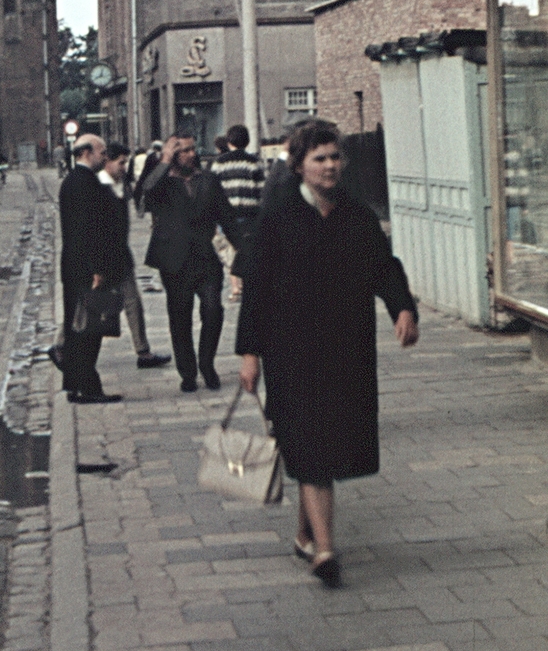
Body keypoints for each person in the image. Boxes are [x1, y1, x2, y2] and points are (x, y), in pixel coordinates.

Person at [236, 119, 419, 588]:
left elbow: (384, 266)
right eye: (320, 158)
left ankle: (304, 535)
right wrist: (249, 354)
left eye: (335, 157)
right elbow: (255, 288)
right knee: (313, 447)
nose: (331, 165)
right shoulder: (277, 217)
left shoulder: (356, 215)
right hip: (290, 351)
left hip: (345, 350)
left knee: (322, 444)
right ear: (299, 165)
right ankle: (325, 550)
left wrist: (402, 308)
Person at [141, 134, 241, 392]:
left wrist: (243, 248)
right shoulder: (162, 180)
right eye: (184, 150)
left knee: (213, 310)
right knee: (179, 316)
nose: (191, 154)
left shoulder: (207, 179)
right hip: (173, 260)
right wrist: (163, 160)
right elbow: (146, 194)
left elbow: (227, 216)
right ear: (173, 155)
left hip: (204, 257)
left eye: (192, 149)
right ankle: (187, 371)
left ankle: (207, 363)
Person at [59, 133, 124, 405]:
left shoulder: (72, 181)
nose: (104, 156)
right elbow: (88, 230)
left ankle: (75, 385)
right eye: (101, 151)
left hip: (74, 264)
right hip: (86, 268)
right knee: (89, 331)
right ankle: (88, 387)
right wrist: (97, 269)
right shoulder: (84, 183)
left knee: (76, 327)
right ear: (86, 152)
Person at [97, 143, 170, 370]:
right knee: (89, 306)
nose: (124, 166)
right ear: (107, 161)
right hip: (103, 259)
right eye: (121, 162)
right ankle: (62, 345)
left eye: (125, 162)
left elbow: (143, 190)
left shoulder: (121, 184)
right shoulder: (97, 185)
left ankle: (143, 352)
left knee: (133, 303)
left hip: (121, 256)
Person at [213, 124, 267, 299]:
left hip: (226, 215)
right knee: (246, 249)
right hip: (250, 214)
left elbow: (212, 190)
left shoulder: (219, 163)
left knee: (229, 251)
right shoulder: (254, 162)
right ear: (247, 141)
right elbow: (262, 190)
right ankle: (245, 285)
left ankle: (235, 287)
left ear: (229, 142)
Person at [133, 141, 164, 212]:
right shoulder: (164, 156)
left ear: (154, 148)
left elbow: (146, 170)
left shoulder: (151, 157)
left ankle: (155, 218)